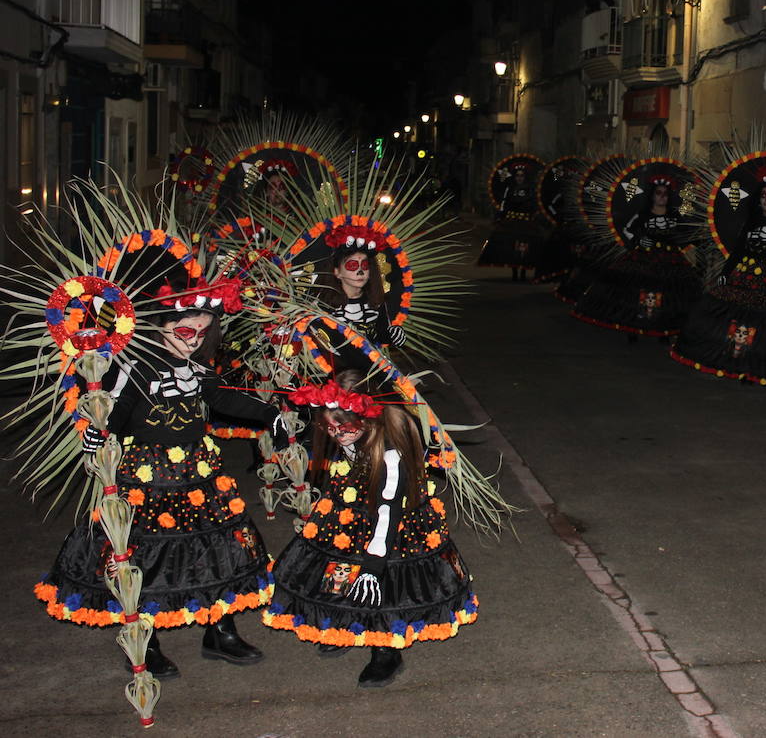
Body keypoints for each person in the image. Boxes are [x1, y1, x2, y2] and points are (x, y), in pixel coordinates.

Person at [35, 278, 288, 678]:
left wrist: (271, 413)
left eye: (203, 333)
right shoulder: (133, 366)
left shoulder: (198, 367)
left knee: (215, 549)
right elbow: (109, 416)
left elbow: (222, 398)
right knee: (146, 556)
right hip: (146, 478)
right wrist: (96, 432)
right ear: (161, 326)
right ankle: (146, 641)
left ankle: (220, 630)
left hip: (199, 474)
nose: (193, 341)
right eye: (186, 331)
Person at [263, 371, 477, 688]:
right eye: (330, 428)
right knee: (335, 566)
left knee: (383, 585)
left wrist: (374, 564)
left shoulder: (392, 455)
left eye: (346, 428)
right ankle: (342, 623)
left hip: (391, 525)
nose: (338, 435)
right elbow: (303, 435)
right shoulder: (339, 429)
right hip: (349, 513)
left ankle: (385, 650)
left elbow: (388, 512)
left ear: (368, 418)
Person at [670, 161, 766, 385]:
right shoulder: (751, 224)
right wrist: (726, 273)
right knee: (734, 315)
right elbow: (738, 252)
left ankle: (758, 367)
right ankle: (735, 359)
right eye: (763, 195)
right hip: (747, 276)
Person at [572, 169, 700, 341]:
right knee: (634, 293)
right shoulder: (642, 215)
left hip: (670, 261)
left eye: (665, 194)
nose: (662, 197)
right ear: (652, 196)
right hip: (643, 259)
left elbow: (684, 236)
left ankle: (664, 330)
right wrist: (639, 240)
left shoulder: (675, 216)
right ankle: (633, 328)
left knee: (668, 295)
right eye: (659, 193)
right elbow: (627, 230)